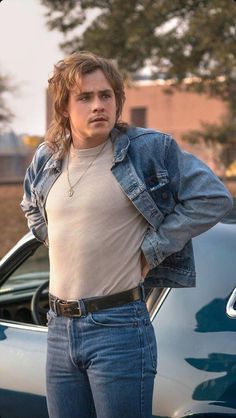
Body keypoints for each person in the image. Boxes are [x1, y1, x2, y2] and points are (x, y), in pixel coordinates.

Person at [21, 51, 233, 418]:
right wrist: (67, 246)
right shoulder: (47, 157)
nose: (99, 105)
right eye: (85, 97)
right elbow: (31, 209)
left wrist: (154, 248)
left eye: (107, 95)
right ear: (64, 108)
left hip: (118, 327)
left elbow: (212, 198)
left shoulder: (147, 150)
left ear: (118, 100)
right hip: (58, 328)